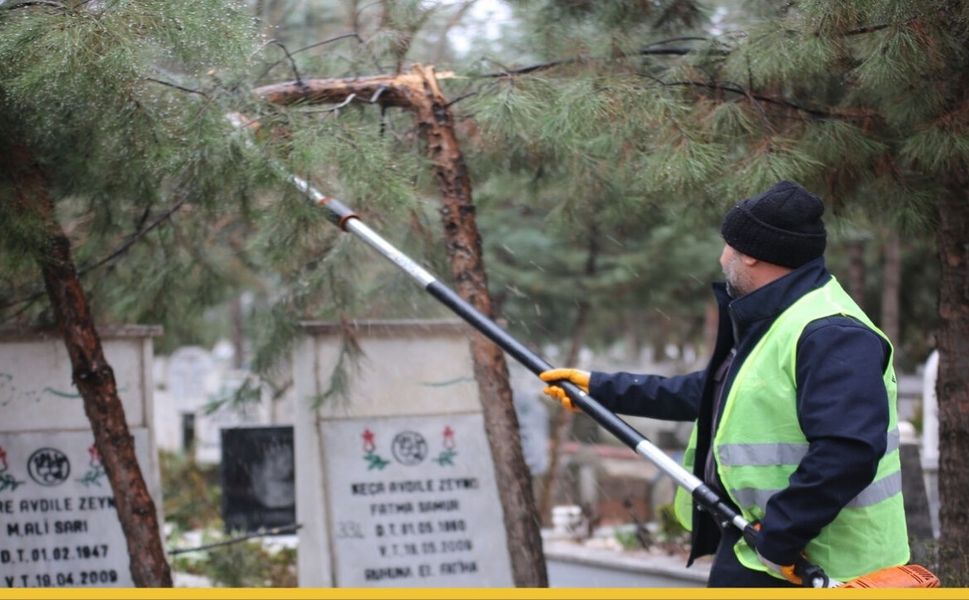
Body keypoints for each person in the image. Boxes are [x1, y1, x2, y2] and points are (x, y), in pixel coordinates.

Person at [540, 181, 909, 587]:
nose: (721, 259)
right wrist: (601, 389)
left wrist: (781, 538)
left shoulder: (830, 332)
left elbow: (847, 450)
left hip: (822, 565)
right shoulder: (780, 319)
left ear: (750, 255)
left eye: (728, 247)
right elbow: (720, 394)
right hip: (765, 549)